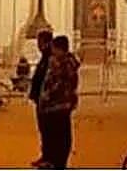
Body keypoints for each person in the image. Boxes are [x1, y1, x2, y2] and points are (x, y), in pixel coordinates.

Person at [38, 35, 81, 170]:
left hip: (57, 104)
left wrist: (46, 95)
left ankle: (58, 162)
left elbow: (57, 84)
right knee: (59, 134)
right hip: (60, 104)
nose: (52, 51)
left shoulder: (63, 64)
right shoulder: (64, 63)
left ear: (59, 49)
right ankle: (55, 160)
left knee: (59, 135)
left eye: (54, 48)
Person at [28, 29, 54, 168]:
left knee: (47, 130)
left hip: (46, 101)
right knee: (44, 130)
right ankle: (46, 156)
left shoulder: (49, 58)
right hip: (41, 99)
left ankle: (49, 157)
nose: (38, 45)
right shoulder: (45, 57)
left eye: (40, 42)